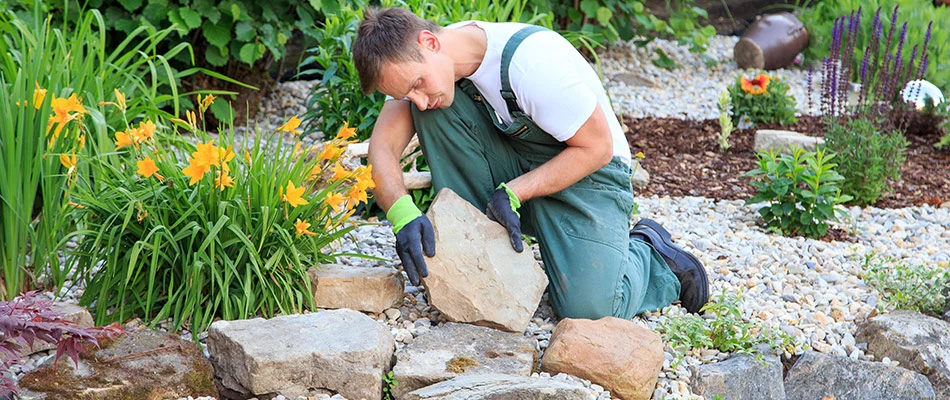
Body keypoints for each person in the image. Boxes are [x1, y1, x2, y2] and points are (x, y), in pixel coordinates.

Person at [352, 7, 709, 319]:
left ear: (430, 43)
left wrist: (515, 192)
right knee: (433, 110)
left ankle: (651, 256)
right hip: (517, 169)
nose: (418, 100)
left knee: (589, 309)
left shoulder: (532, 64)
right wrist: (402, 214)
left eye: (417, 84)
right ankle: (483, 253)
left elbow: (597, 148)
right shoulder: (427, 67)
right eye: (405, 94)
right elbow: (382, 148)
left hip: (589, 175)